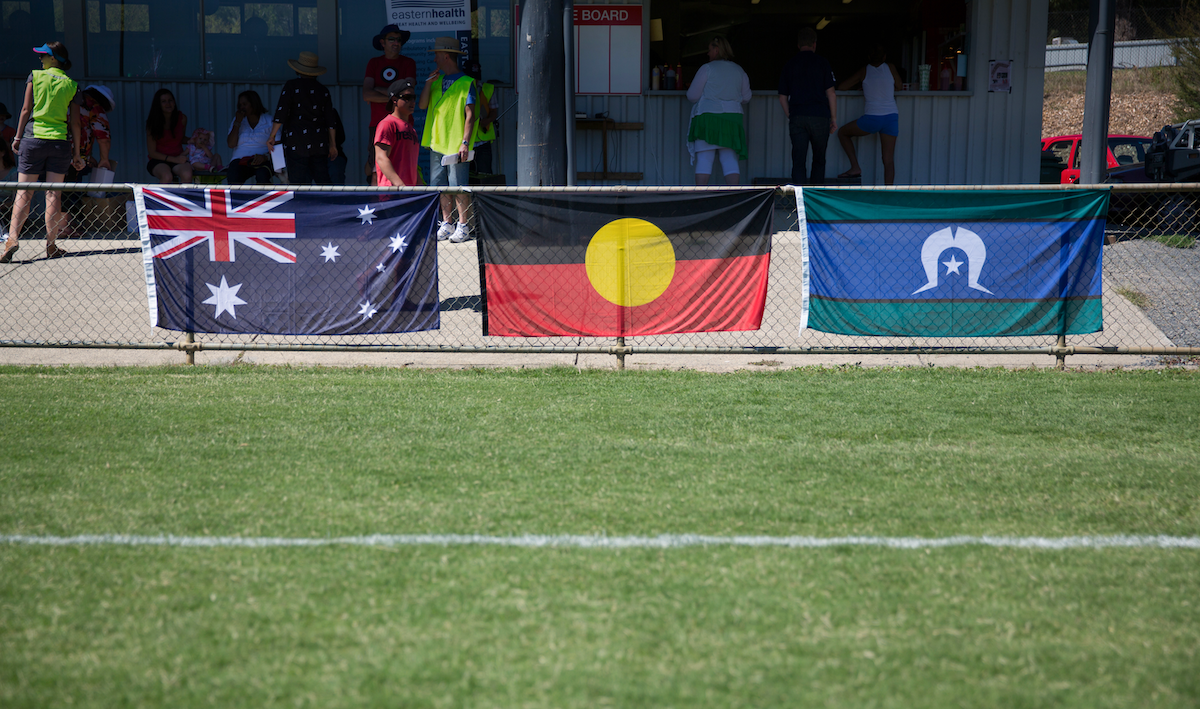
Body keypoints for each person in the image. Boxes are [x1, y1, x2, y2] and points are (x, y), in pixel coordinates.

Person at [2, 42, 84, 263]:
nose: (40, 59)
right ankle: (51, 245)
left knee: (23, 192)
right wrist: (77, 154)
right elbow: (76, 123)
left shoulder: (36, 77)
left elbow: (26, 110)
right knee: (53, 194)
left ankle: (12, 239)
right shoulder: (72, 84)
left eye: (44, 55)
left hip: (33, 139)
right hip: (59, 143)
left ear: (54, 58)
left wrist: (17, 137)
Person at [419, 37, 477, 243]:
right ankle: (447, 223)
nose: (434, 59)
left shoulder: (467, 82)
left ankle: (464, 225)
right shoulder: (435, 81)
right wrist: (427, 84)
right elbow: (423, 105)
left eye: (436, 55)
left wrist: (465, 142)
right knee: (440, 184)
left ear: (445, 56)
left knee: (458, 184)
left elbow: (470, 115)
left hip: (456, 144)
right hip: (436, 143)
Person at [686, 36, 752, 186]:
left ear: (716, 50)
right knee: (729, 159)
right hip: (732, 120)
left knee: (704, 159)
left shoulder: (707, 69)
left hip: (708, 119)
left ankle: (701, 200)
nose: (708, 54)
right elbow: (747, 97)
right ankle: (734, 199)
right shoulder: (738, 70)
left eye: (709, 50)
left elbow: (692, 95)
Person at [268, 51, 338, 185]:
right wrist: (333, 144)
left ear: (298, 70)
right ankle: (328, 204)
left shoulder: (291, 86)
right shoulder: (323, 90)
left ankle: (301, 205)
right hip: (319, 141)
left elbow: (281, 113)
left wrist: (272, 136)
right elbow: (330, 120)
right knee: (322, 178)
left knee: (298, 180)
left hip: (296, 140)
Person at [777, 27, 837, 185]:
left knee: (798, 161)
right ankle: (815, 199)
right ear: (814, 44)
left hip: (798, 116)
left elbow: (782, 97)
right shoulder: (823, 63)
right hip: (820, 116)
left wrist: (792, 115)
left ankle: (799, 200)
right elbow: (831, 93)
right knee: (819, 160)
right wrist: (834, 118)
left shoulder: (789, 65)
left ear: (798, 45)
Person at [837, 44, 902, 185]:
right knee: (888, 160)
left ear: (868, 58)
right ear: (884, 57)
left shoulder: (864, 71)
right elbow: (899, 86)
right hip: (891, 117)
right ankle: (888, 195)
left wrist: (862, 85)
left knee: (842, 133)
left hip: (872, 118)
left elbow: (842, 87)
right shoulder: (890, 67)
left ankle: (855, 167)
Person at [363, 24, 415, 185]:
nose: (396, 43)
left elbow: (409, 92)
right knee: (375, 168)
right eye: (391, 39)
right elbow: (366, 94)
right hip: (378, 124)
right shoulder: (374, 63)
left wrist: (379, 90)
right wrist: (395, 95)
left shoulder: (408, 63)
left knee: (404, 167)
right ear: (382, 42)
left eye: (399, 40)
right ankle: (376, 208)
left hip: (404, 125)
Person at [374, 79, 420, 188]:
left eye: (414, 98)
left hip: (409, 194)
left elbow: (413, 165)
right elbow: (381, 157)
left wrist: (420, 190)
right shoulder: (387, 123)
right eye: (407, 98)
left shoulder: (411, 129)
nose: (412, 101)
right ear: (394, 99)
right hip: (392, 193)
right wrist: (400, 186)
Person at [225, 90, 273, 185]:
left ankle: (262, 199)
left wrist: (265, 157)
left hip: (263, 159)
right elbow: (231, 144)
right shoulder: (237, 121)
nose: (242, 108)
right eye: (240, 105)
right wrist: (237, 123)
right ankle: (237, 200)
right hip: (240, 160)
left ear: (254, 104)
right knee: (233, 174)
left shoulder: (268, 120)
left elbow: (278, 144)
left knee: (262, 175)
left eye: (244, 104)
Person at [145, 88, 192, 184]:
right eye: (163, 101)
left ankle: (183, 199)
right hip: (159, 160)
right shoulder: (152, 124)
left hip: (178, 157)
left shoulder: (182, 118)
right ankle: (160, 199)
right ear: (158, 105)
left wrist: (193, 140)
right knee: (167, 177)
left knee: (187, 174)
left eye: (170, 100)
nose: (168, 104)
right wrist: (175, 159)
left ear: (174, 102)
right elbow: (152, 153)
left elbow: (180, 138)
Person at [467, 61, 496, 175]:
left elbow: (494, 112)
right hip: (466, 141)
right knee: (467, 176)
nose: (474, 81)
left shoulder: (487, 89)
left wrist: (487, 121)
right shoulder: (462, 89)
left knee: (485, 174)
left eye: (476, 78)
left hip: (483, 141)